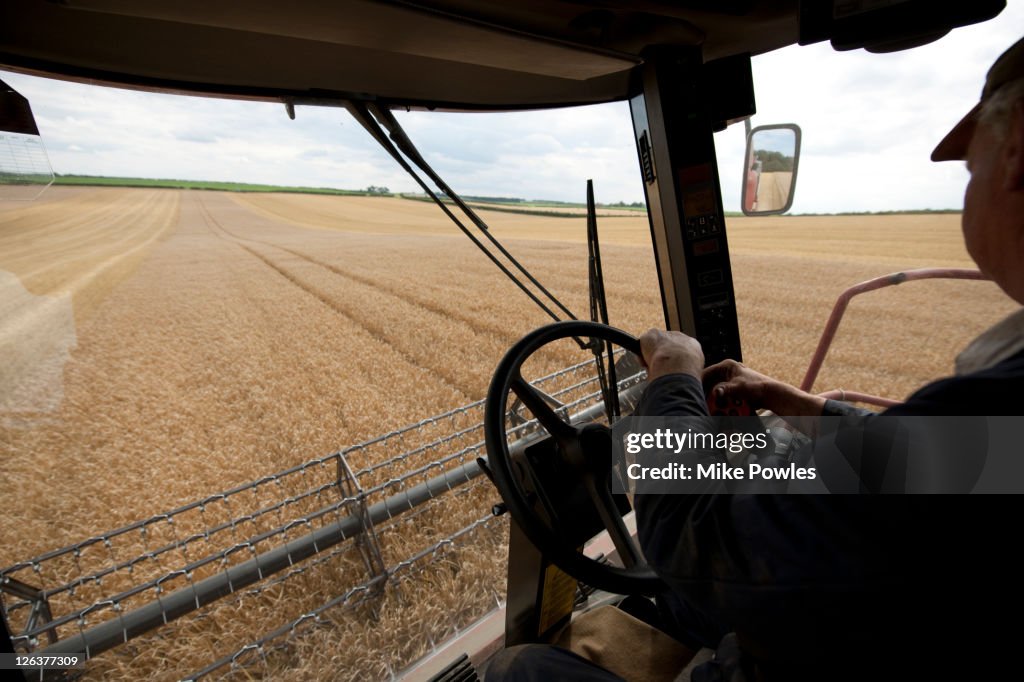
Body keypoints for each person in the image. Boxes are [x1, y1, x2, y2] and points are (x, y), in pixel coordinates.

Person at [488, 36, 1024, 682]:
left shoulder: (1000, 401)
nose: (967, 182)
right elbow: (935, 463)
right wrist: (801, 407)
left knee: (516, 671)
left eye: (971, 166)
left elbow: (684, 532)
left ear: (1017, 151)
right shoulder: (1001, 405)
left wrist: (675, 375)